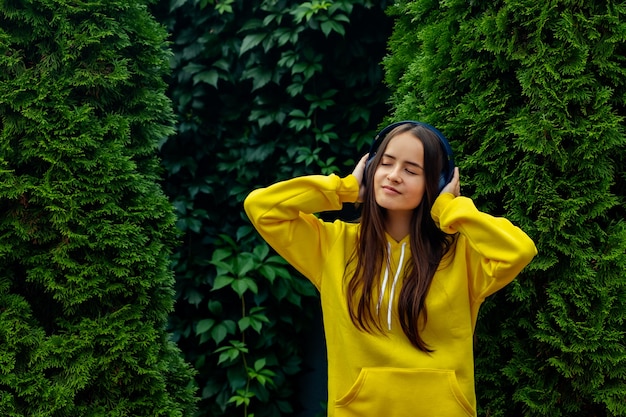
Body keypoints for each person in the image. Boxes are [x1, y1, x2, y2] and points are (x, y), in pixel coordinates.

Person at [244, 121, 537, 417]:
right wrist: (343, 189)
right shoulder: (333, 246)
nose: (394, 176)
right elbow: (263, 208)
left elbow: (518, 250)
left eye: (411, 170)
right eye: (385, 164)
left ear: (435, 184)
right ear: (370, 169)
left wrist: (449, 208)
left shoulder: (462, 256)